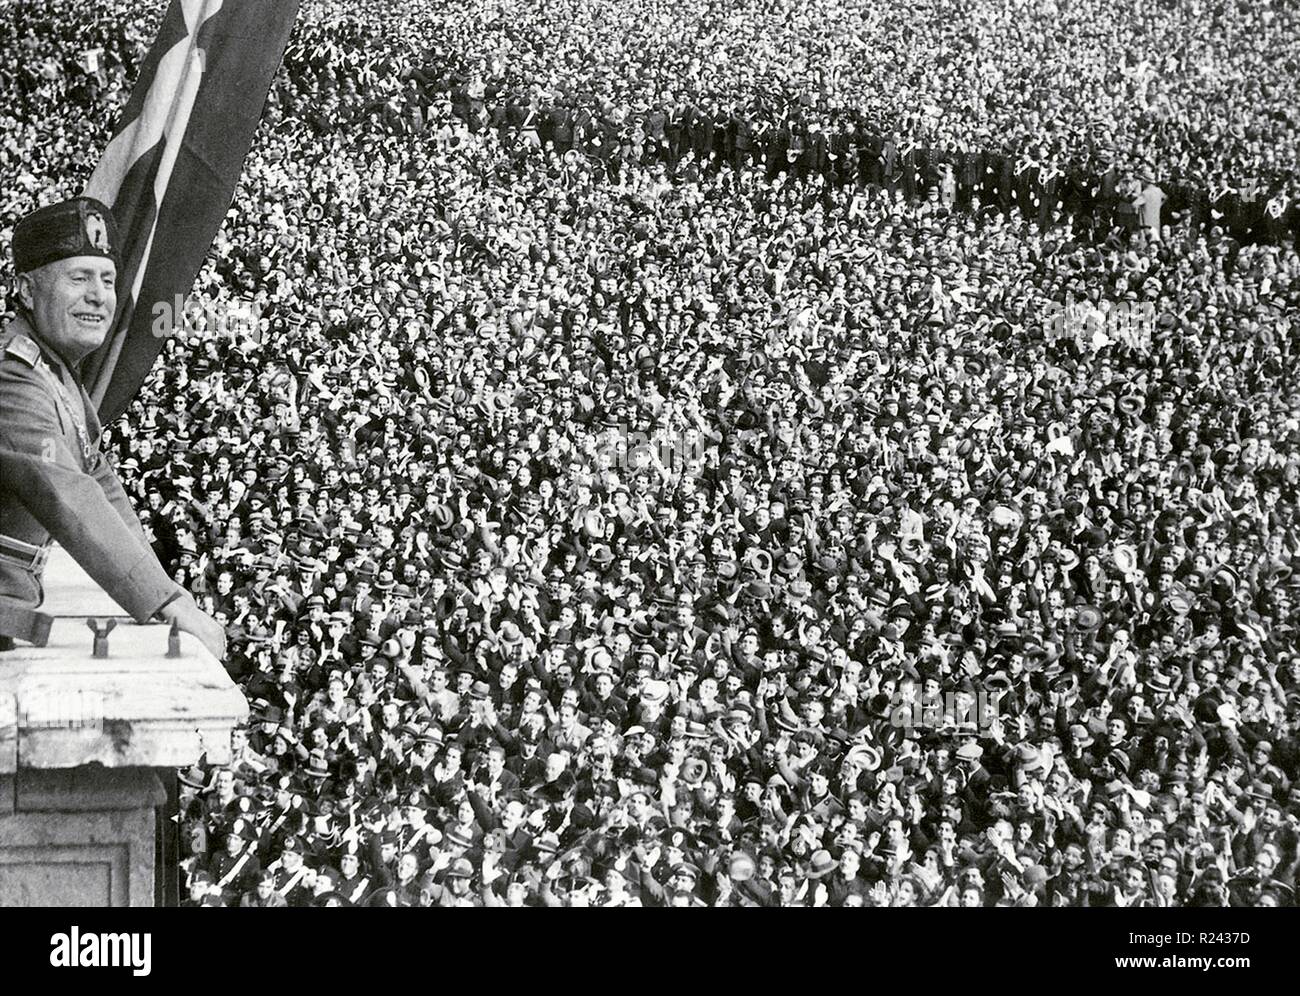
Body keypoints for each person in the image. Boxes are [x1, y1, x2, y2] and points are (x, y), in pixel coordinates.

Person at [0, 197, 225, 658]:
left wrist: (167, 591)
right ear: (26, 289)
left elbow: (99, 481)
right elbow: (66, 493)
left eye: (107, 280)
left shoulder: (53, 369)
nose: (98, 295)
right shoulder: (13, 376)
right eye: (78, 278)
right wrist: (163, 603)